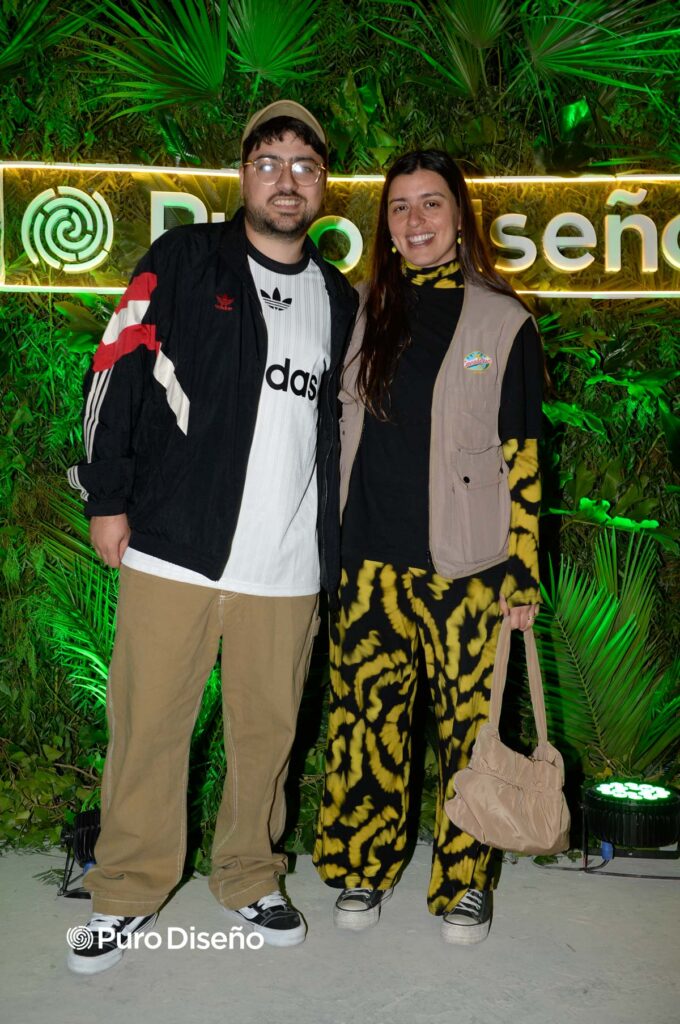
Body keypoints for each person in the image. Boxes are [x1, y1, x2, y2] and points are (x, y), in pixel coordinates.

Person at [66, 100, 357, 972]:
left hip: (288, 566)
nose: (285, 180)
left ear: (323, 186)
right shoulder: (185, 260)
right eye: (268, 162)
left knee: (267, 736)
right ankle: (126, 889)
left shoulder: (341, 299)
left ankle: (249, 875)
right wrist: (106, 497)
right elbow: (115, 365)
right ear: (243, 176)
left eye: (303, 166)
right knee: (148, 728)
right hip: (174, 547)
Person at [313, 149, 543, 945]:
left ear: (459, 215)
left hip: (467, 570)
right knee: (364, 725)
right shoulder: (358, 309)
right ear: (386, 223)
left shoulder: (502, 321)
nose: (415, 221)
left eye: (431, 203)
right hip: (367, 560)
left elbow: (523, 454)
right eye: (400, 206)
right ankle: (361, 866)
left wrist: (522, 573)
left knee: (467, 733)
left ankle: (465, 883)